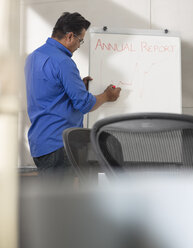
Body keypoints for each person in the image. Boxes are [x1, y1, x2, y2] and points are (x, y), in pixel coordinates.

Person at [24, 12, 121, 180]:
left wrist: (76, 87)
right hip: (59, 144)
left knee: (51, 200)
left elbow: (48, 92)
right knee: (61, 203)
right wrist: (106, 96)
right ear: (70, 36)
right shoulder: (63, 62)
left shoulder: (33, 57)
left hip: (40, 143)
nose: (78, 45)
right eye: (80, 40)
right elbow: (84, 104)